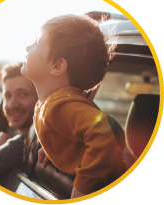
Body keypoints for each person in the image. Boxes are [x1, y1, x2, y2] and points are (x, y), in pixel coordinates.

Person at [21, 14, 130, 198]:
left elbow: (104, 135)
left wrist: (82, 188)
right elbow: (74, 130)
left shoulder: (60, 106)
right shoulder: (59, 102)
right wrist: (56, 147)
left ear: (57, 66)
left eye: (37, 43)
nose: (27, 47)